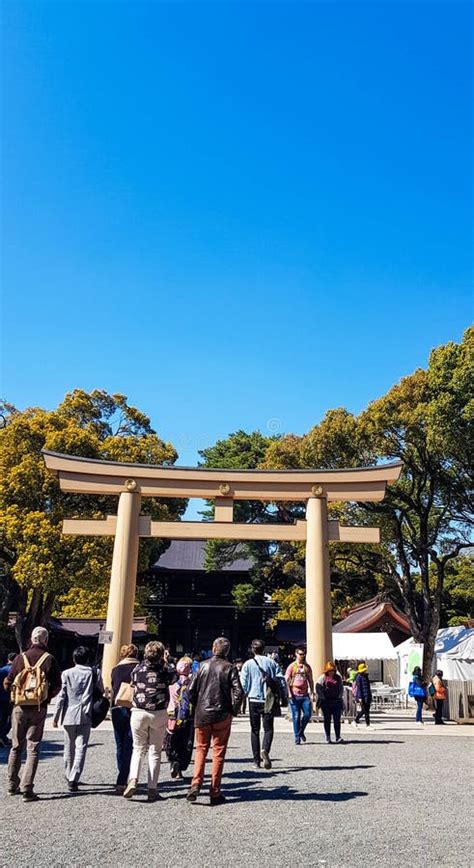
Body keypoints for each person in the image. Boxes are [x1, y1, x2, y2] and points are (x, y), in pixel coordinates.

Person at [4, 626, 61, 801]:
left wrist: (13, 698)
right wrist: (46, 698)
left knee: (15, 746)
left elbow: (8, 681)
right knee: (33, 747)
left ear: (31, 639)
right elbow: (57, 685)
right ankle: (27, 788)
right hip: (38, 707)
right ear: (45, 640)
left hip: (19, 707)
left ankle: (12, 785)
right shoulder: (49, 659)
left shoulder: (20, 658)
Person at [186, 636, 243, 805]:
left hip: (202, 713)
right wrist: (234, 709)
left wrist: (197, 705)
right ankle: (215, 791)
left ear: (213, 648)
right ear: (227, 651)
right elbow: (239, 691)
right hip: (222, 713)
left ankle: (195, 783)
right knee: (218, 752)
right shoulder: (229, 667)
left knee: (201, 749)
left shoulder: (202, 666)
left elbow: (190, 690)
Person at [124, 640, 177, 802]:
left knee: (138, 748)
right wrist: (166, 662)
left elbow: (132, 683)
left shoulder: (137, 669)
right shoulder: (165, 670)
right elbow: (174, 679)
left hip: (138, 711)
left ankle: (133, 778)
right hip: (158, 712)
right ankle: (152, 788)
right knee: (155, 750)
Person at [52, 645, 101, 791]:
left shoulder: (66, 673)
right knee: (81, 747)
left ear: (74, 658)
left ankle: (68, 774)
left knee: (69, 746)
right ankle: (74, 777)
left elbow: (62, 696)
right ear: (88, 659)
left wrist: (56, 716)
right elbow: (102, 690)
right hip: (86, 712)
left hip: (69, 713)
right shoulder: (94, 672)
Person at [240, 638, 285, 769]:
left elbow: (244, 684)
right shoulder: (271, 662)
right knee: (268, 728)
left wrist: (246, 694)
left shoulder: (247, 664)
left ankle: (256, 761)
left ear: (252, 649)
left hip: (254, 699)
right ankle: (265, 749)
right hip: (268, 698)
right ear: (264, 649)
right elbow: (281, 680)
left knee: (254, 730)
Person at [110, 643, 139, 794]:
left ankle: (122, 772)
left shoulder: (115, 669)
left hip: (116, 708)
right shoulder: (139, 669)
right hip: (134, 707)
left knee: (119, 743)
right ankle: (123, 778)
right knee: (130, 743)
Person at [166, 656, 194, 779]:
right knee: (186, 742)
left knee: (172, 740)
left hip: (172, 715)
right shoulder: (192, 682)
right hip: (188, 716)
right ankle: (181, 767)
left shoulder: (171, 682)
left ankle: (173, 761)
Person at [285, 647, 314, 745]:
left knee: (307, 714)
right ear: (296, 654)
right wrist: (289, 693)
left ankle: (301, 730)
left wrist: (312, 691)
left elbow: (310, 680)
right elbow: (287, 680)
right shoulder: (291, 666)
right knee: (296, 716)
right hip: (294, 694)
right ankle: (297, 737)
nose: (302, 656)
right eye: (300, 654)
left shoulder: (307, 667)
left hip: (305, 694)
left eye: (303, 654)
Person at [316, 661, 344, 744]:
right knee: (327, 720)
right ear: (326, 671)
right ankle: (328, 736)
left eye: (333, 671)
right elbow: (318, 688)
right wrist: (322, 698)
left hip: (336, 701)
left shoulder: (338, 678)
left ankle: (338, 736)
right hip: (326, 702)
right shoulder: (322, 678)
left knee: (337, 720)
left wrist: (340, 697)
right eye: (330, 671)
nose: (331, 672)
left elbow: (341, 688)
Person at [0, 653, 16, 747]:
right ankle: (3, 736)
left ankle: (2, 737)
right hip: (9, 698)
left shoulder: (2, 669)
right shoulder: (12, 670)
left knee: (2, 718)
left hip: (1, 697)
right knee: (10, 719)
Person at [352, 663, 372, 727]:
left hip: (367, 696)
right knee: (365, 710)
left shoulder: (366, 676)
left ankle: (357, 720)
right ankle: (367, 724)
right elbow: (359, 688)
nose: (366, 670)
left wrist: (370, 696)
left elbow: (368, 687)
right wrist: (359, 697)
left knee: (366, 710)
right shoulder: (359, 677)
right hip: (362, 697)